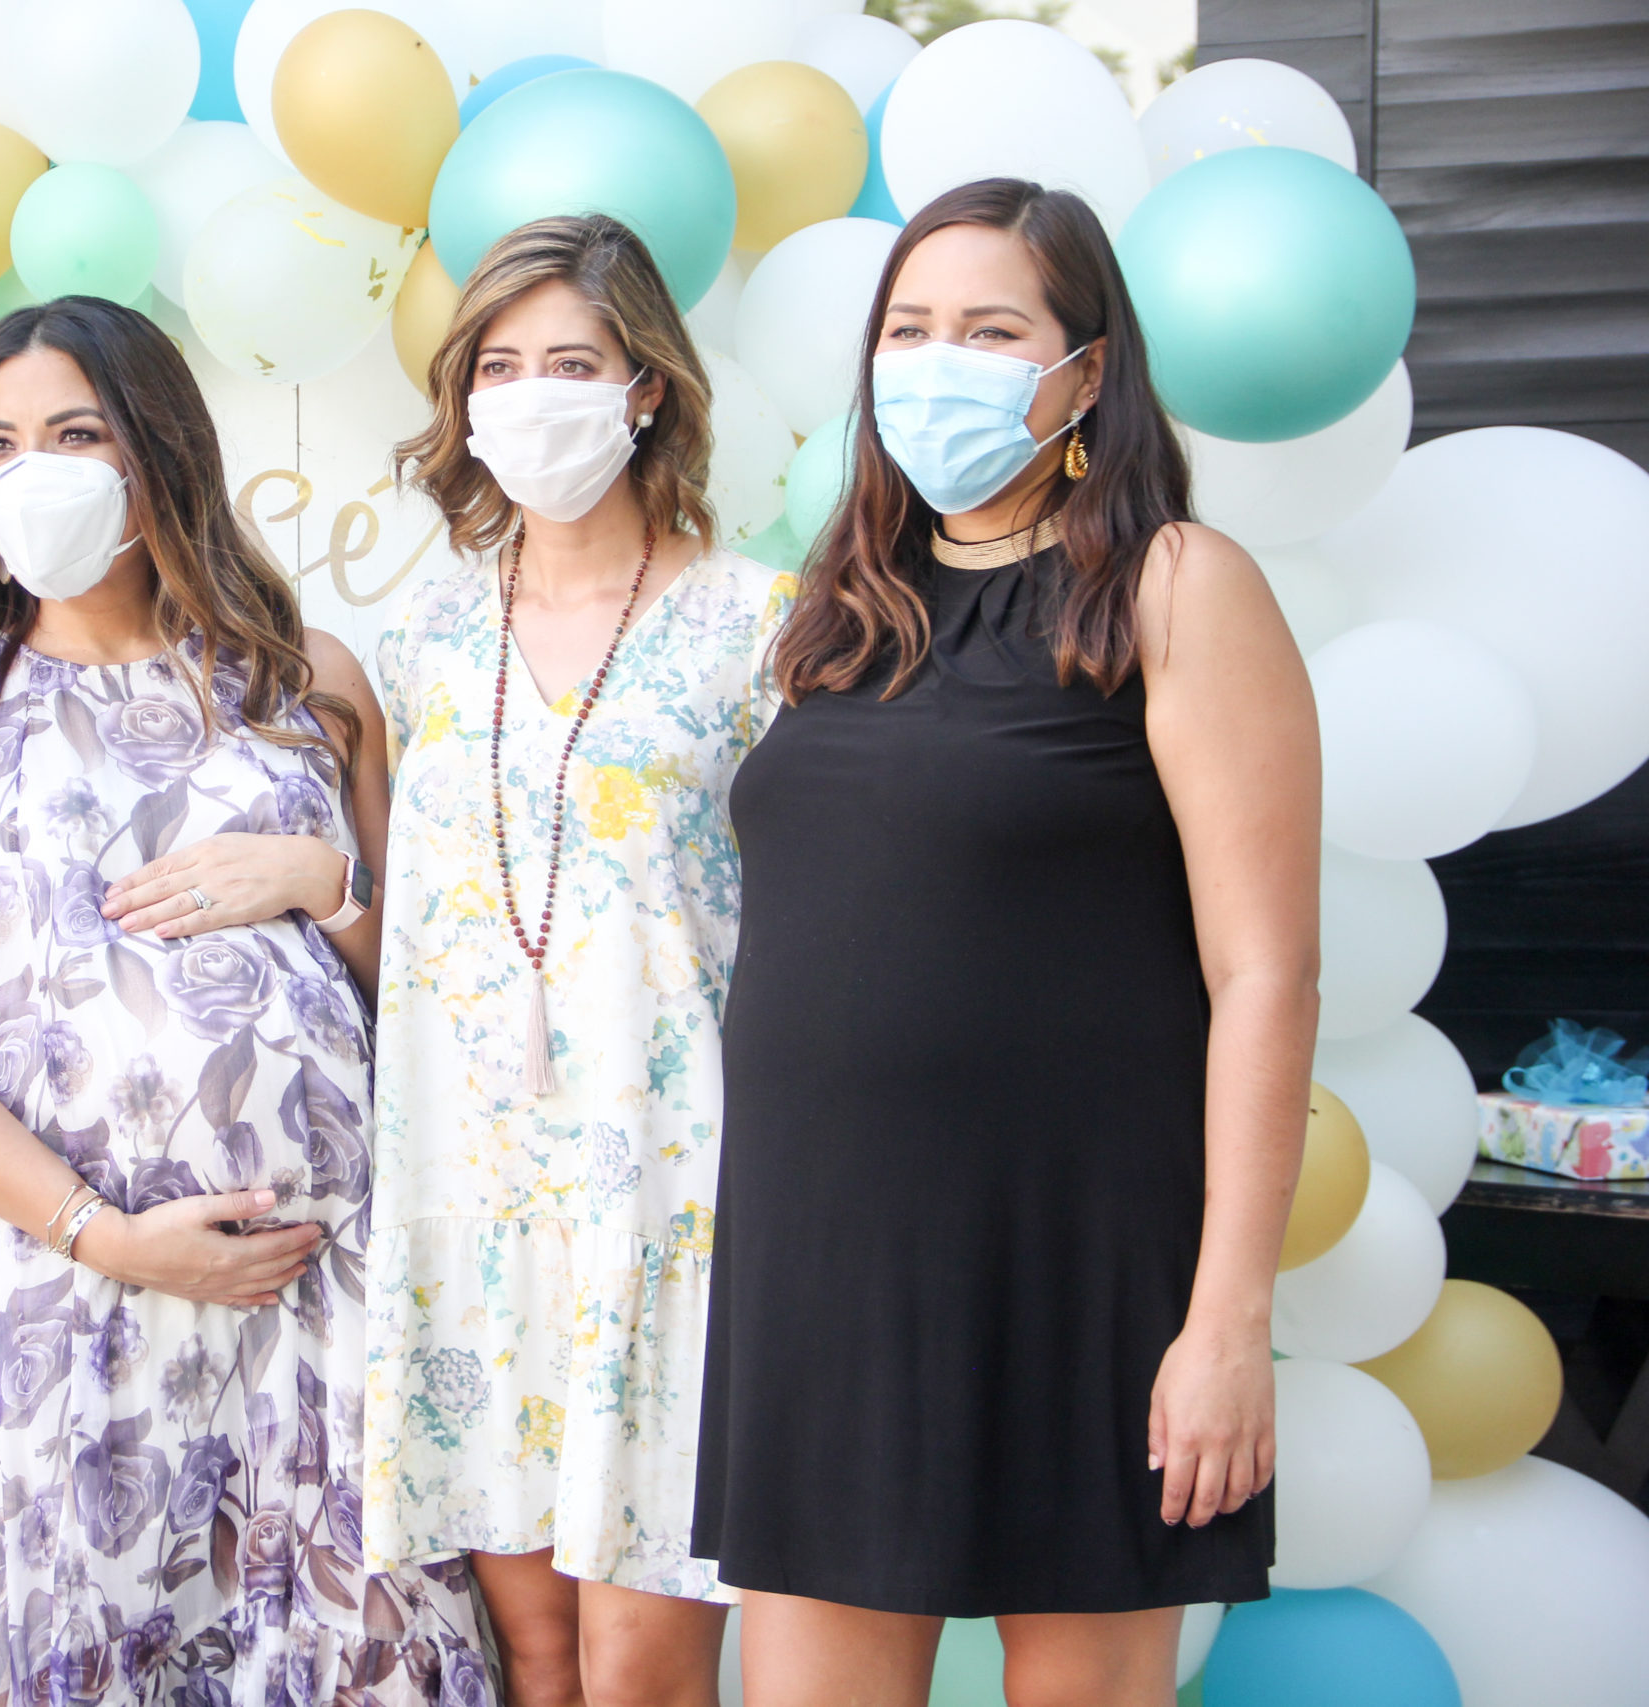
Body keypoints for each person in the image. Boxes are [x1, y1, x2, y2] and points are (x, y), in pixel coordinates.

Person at [693, 178, 1316, 1707]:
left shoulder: (1175, 588)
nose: (935, 359)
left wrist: (1229, 1316)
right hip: (826, 1262)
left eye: (989, 328)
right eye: (908, 329)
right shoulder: (840, 614)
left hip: (1081, 1262)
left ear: (1084, 372)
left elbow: (1268, 975)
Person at [0, 295, 492, 1707]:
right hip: (61, 1305)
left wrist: (326, 878)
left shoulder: (308, 686)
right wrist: (113, 1238)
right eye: (0, 444)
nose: (36, 470)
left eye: (74, 432)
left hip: (322, 1304)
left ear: (159, 452)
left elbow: (437, 1003)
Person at [366, 214, 798, 1707]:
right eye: (500, 363)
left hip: (672, 1205)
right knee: (537, 1664)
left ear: (646, 390)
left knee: (643, 1668)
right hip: (468, 1201)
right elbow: (393, 909)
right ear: (462, 400)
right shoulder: (416, 636)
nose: (532, 392)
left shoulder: (759, 632)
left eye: (573, 360)